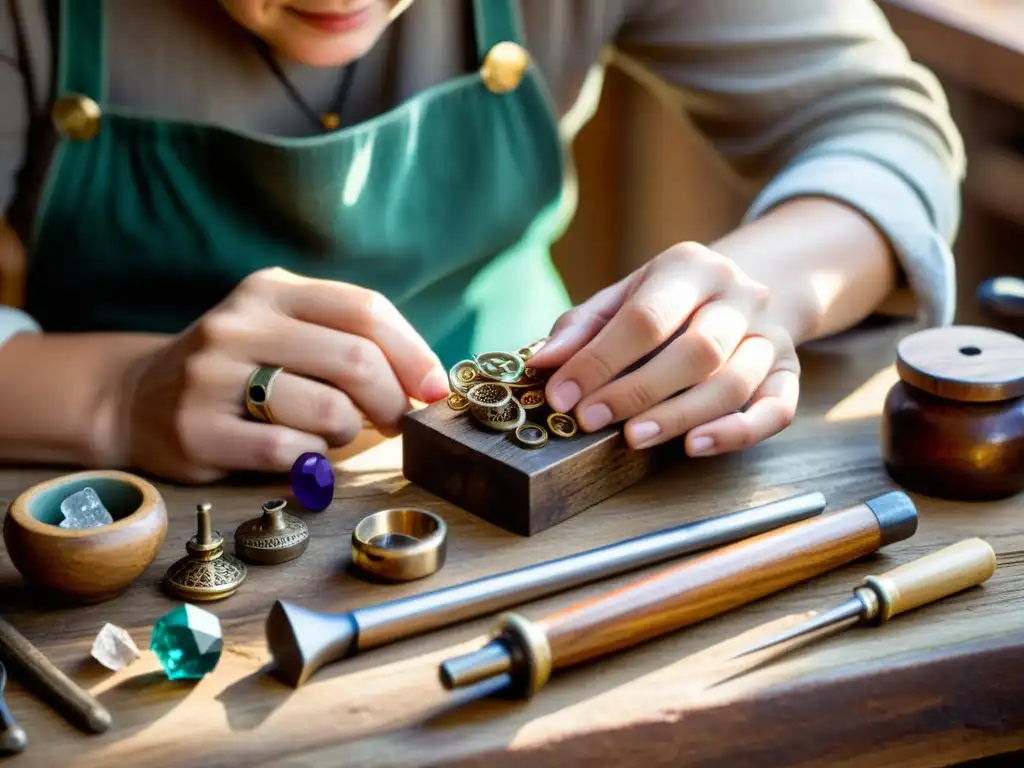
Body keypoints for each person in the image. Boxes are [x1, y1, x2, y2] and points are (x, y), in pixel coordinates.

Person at [0, 0, 964, 484]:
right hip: (117, 497)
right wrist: (115, 395)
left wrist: (757, 296)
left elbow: (878, 121)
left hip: (546, 459)